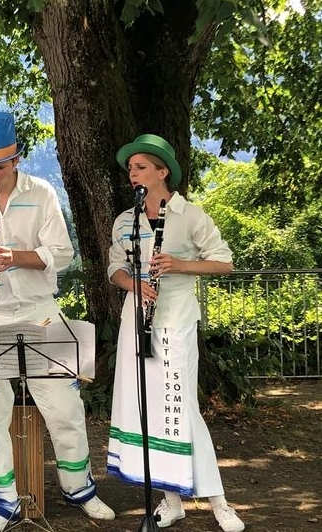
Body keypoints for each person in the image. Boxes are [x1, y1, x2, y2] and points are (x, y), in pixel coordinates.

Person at [0, 110, 115, 532]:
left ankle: (81, 491)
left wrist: (15, 258)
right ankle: (3, 502)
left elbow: (63, 253)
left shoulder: (43, 194)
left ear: (16, 160)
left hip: (39, 312)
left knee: (65, 405)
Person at [107, 134, 244, 532]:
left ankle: (219, 501)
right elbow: (114, 268)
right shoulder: (124, 220)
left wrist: (179, 264)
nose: (133, 173)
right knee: (148, 411)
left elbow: (224, 263)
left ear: (163, 171)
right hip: (137, 320)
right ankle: (171, 501)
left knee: (179, 408)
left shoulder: (190, 215)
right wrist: (134, 284)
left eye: (141, 167)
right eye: (130, 168)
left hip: (177, 320)